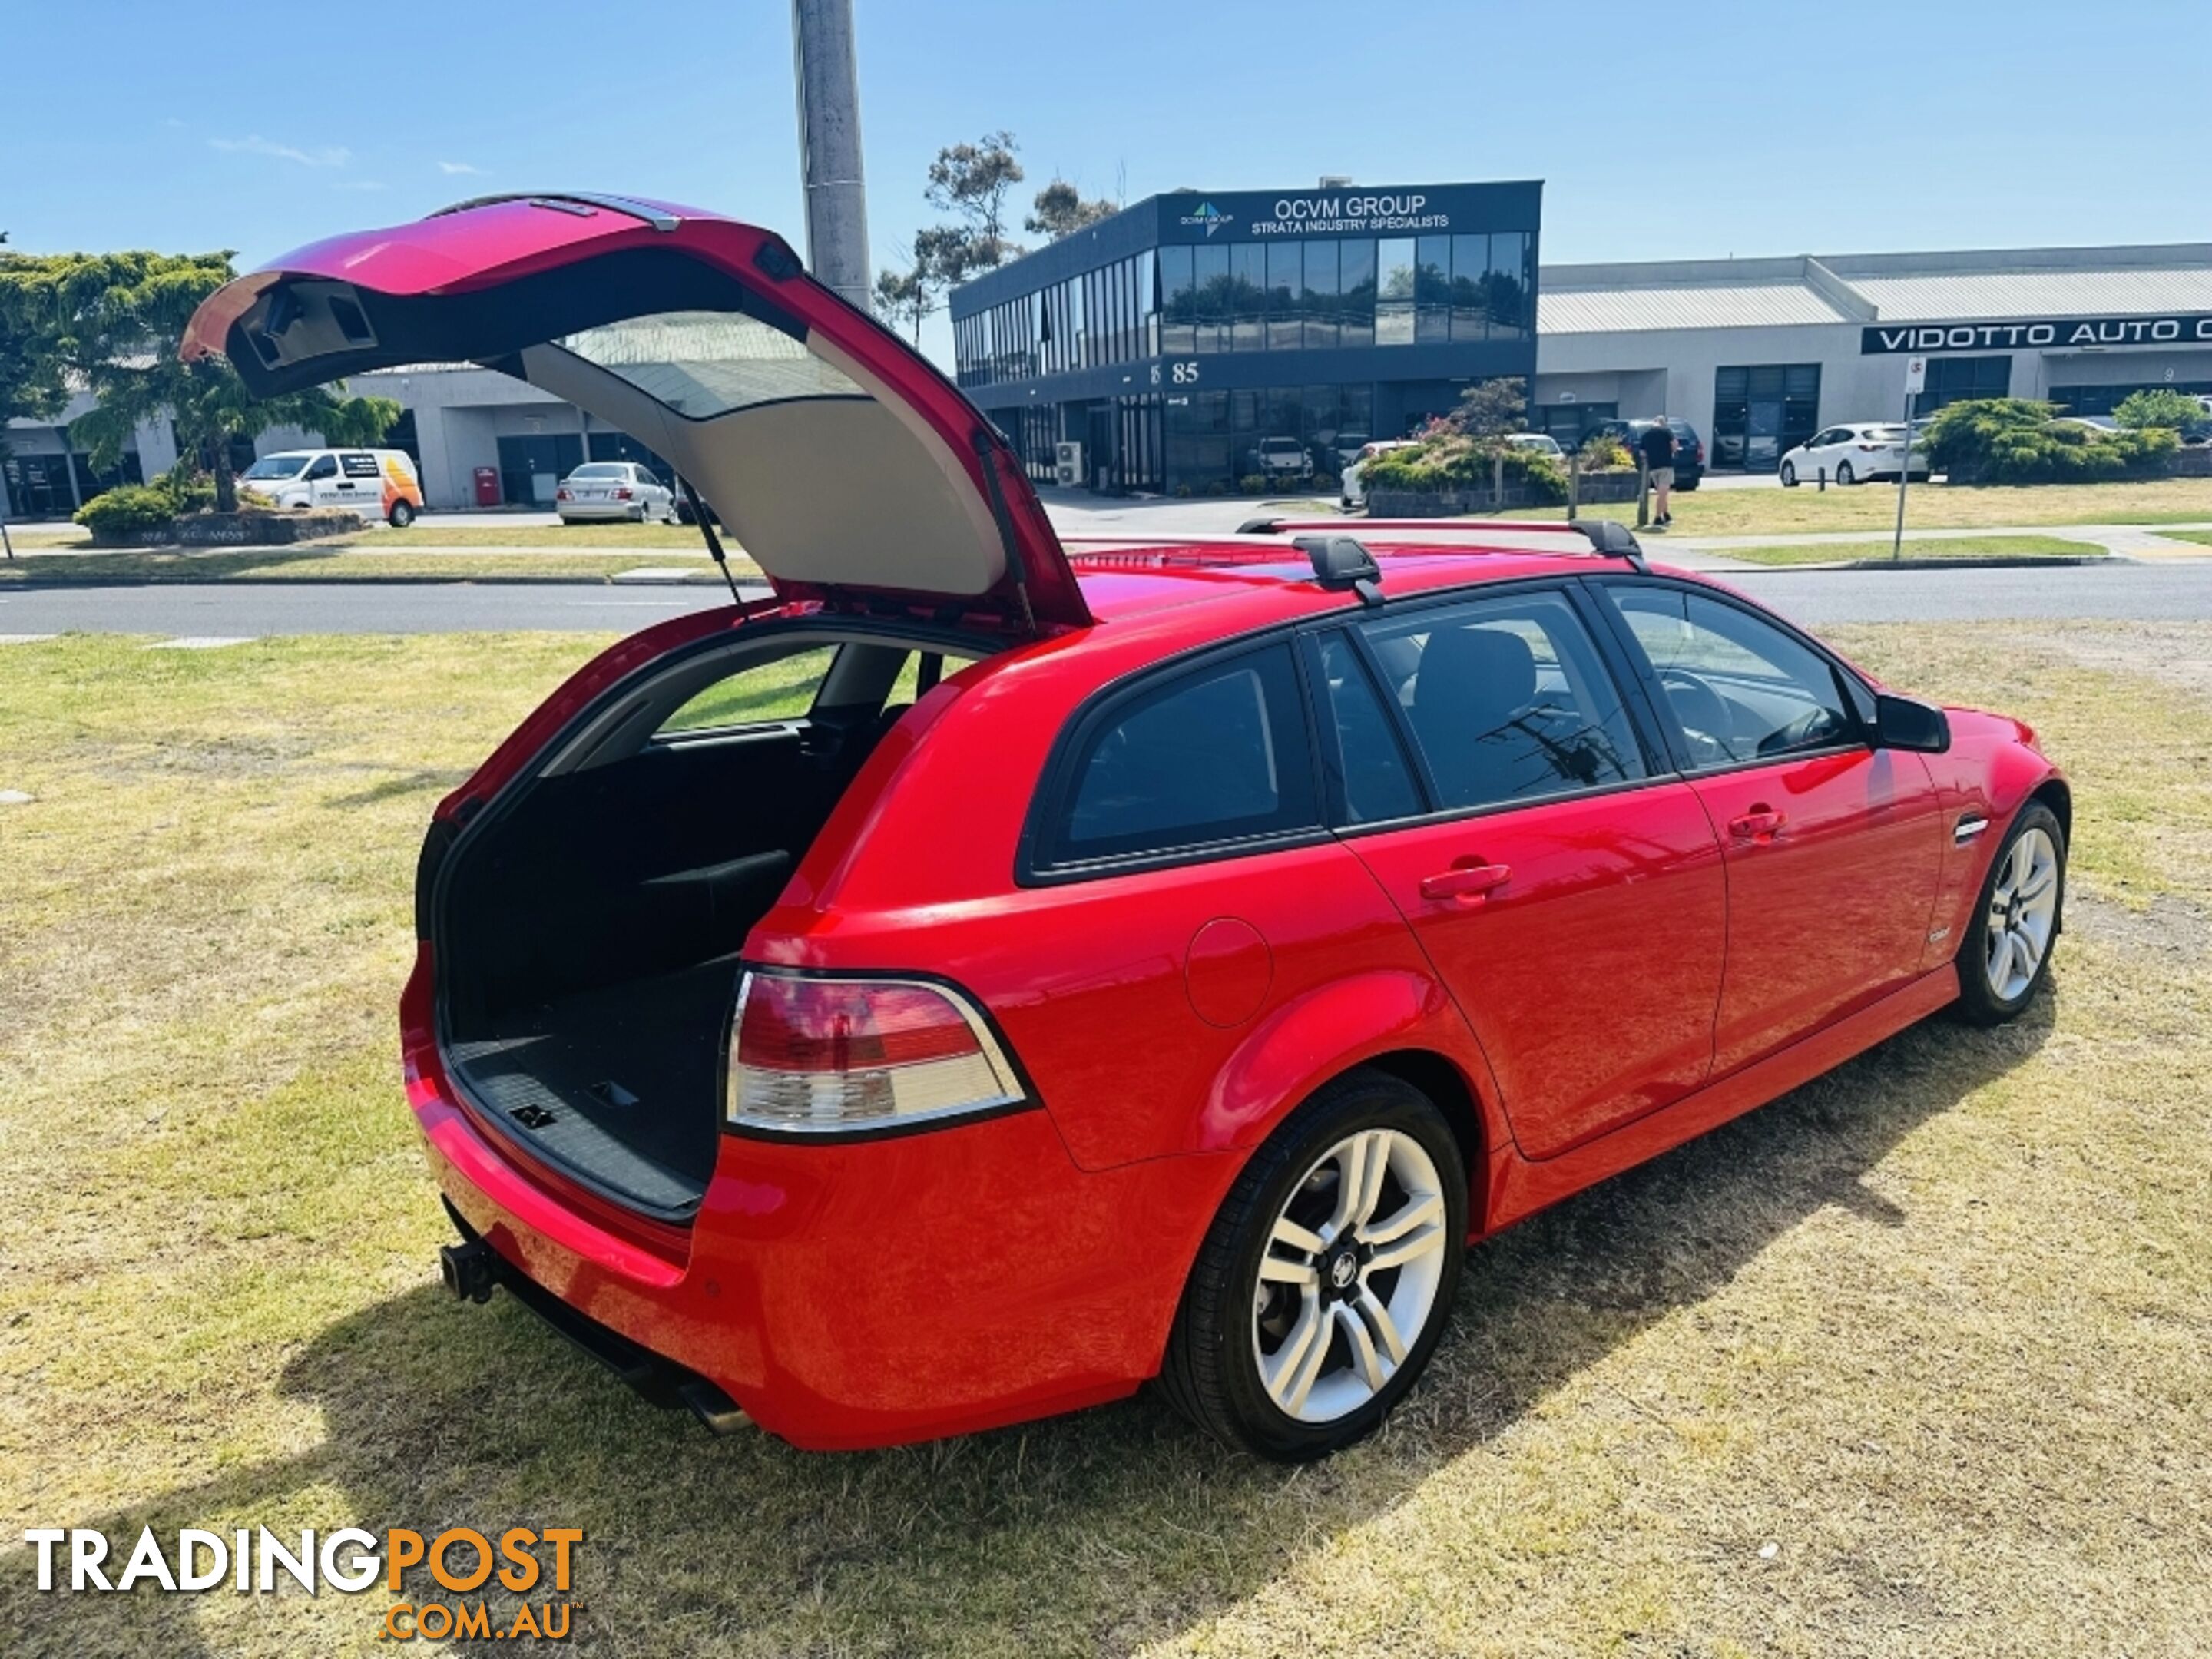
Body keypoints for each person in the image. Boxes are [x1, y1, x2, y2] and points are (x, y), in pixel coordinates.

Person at [1638, 418, 1679, 528]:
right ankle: (1657, 517)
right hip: (1666, 465)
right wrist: (1672, 453)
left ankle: (1666, 515)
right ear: (1663, 424)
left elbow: (1642, 453)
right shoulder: (1666, 431)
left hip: (1653, 467)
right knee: (1663, 493)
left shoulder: (1645, 435)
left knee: (1662, 493)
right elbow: (1675, 444)